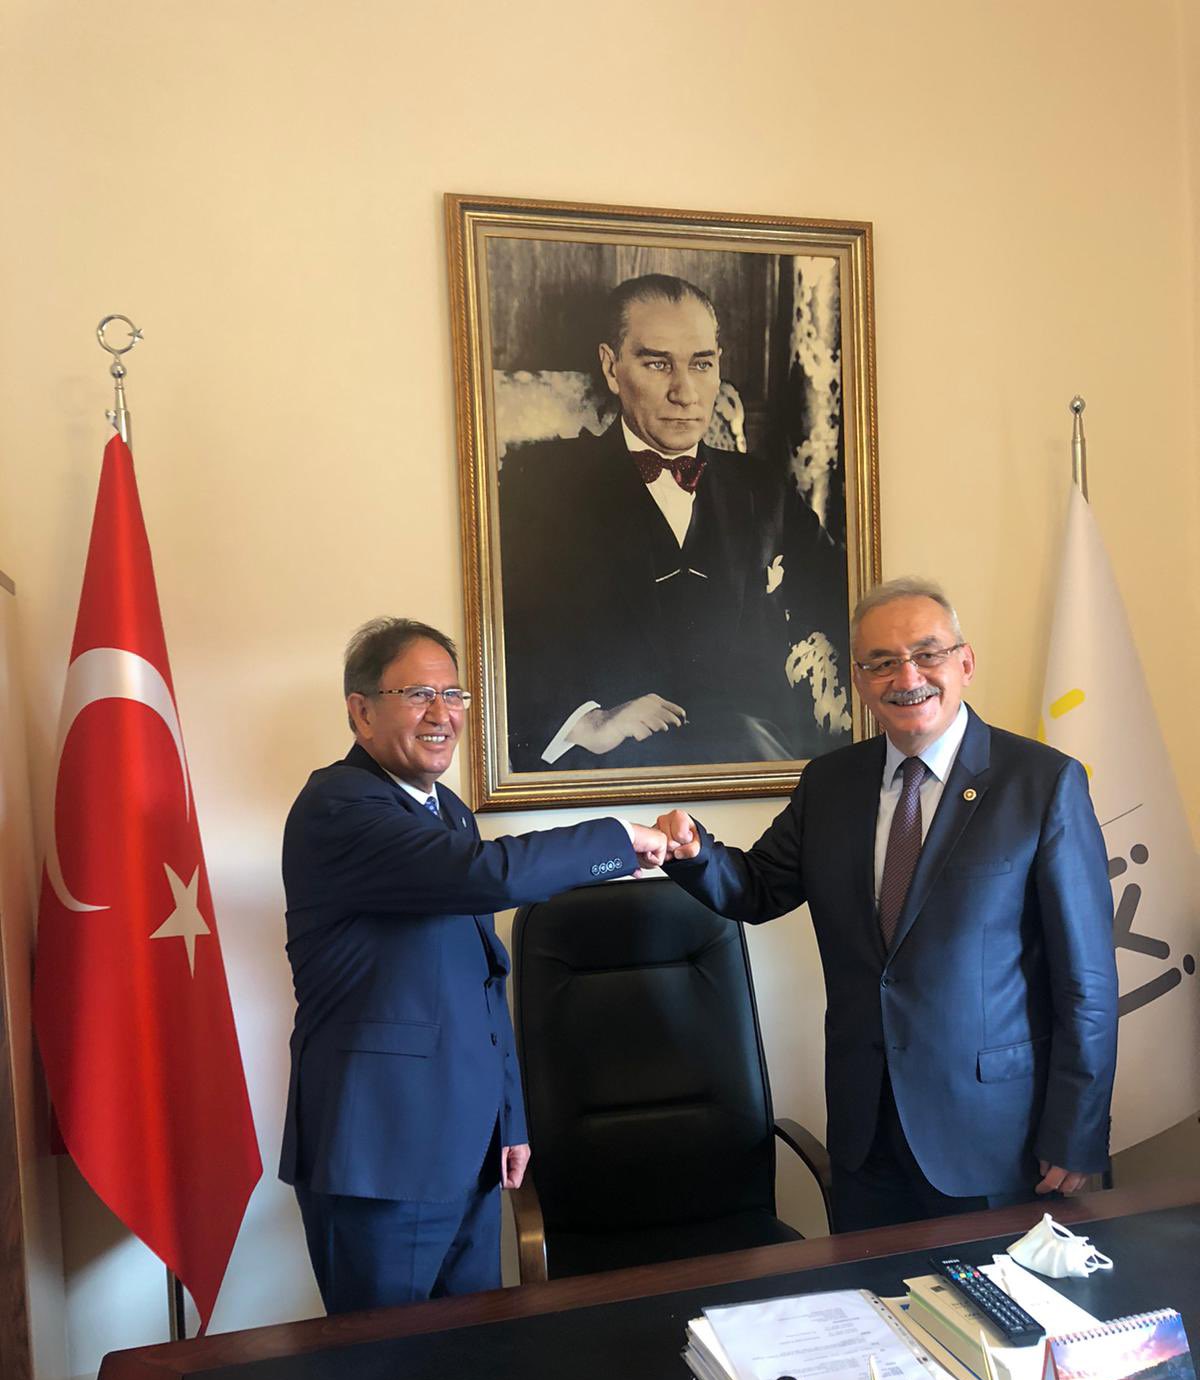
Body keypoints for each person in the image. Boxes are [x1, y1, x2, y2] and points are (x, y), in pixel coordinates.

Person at [655, 577, 1118, 1232]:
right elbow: (757, 887)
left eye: (927, 654)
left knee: (990, 1302)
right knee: (868, 1298)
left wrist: (1077, 1130)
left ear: (965, 662)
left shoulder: (1042, 783)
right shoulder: (830, 783)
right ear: (859, 679)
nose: (907, 678)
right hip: (865, 1134)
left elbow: (1086, 980)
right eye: (881, 662)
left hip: (994, 1139)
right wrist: (692, 851)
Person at [279, 616, 668, 1312]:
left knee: (473, 1358)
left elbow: (485, 981)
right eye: (418, 695)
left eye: (453, 695)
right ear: (361, 712)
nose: (442, 714)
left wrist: (508, 1119)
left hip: (469, 1151)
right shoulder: (338, 806)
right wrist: (617, 837)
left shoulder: (449, 812)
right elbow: (489, 875)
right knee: (386, 1368)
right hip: (382, 1159)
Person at [498, 273, 849, 770]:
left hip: (752, 768)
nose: (685, 392)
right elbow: (496, 636)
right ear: (612, 368)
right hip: (614, 773)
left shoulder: (763, 487)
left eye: (701, 364)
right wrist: (584, 721)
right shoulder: (537, 484)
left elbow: (845, 596)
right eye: (658, 363)